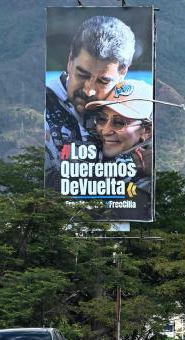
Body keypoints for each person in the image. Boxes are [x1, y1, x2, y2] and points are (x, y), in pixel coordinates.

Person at [45, 15, 136, 189]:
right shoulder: (42, 107)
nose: (88, 90)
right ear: (70, 61)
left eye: (103, 81)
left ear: (123, 72)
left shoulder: (136, 109)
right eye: (82, 75)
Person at [85, 79, 153, 220]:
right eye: (102, 119)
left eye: (119, 122)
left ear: (146, 130)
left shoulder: (150, 181)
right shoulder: (89, 150)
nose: (105, 130)